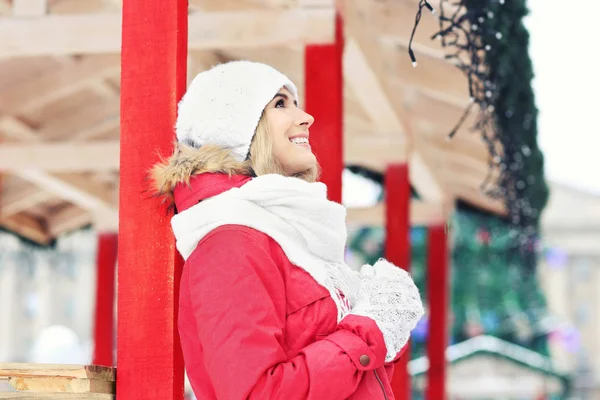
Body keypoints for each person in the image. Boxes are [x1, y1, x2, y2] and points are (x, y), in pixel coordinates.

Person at [151, 60, 424, 399]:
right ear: (239, 129)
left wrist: (383, 326)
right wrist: (367, 331)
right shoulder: (230, 243)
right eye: (280, 104)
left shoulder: (290, 239)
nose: (305, 118)